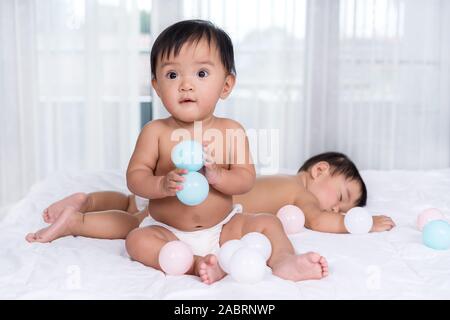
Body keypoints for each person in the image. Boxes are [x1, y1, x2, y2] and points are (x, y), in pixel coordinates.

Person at [26, 19, 328, 285]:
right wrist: (161, 184)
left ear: (226, 85)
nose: (185, 85)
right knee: (136, 240)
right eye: (172, 75)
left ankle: (285, 261)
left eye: (201, 73)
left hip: (222, 227)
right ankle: (197, 265)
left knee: (268, 222)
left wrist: (218, 175)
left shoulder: (231, 130)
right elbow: (136, 177)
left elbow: (246, 179)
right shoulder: (155, 132)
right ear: (157, 86)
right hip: (166, 229)